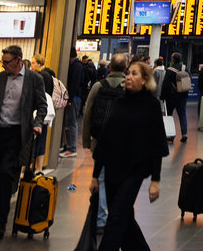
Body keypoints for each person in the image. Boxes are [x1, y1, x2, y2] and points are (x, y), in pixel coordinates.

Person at [90, 60, 167, 251]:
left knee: (116, 216)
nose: (129, 77)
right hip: (112, 168)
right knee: (125, 217)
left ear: (145, 80)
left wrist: (155, 180)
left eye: (134, 74)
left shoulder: (152, 105)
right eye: (129, 73)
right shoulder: (120, 102)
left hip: (135, 169)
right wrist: (94, 175)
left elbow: (157, 144)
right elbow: (106, 140)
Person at [0, 44, 48, 239]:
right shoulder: (0, 78)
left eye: (7, 62)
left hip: (17, 135)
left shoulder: (34, 79)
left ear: (19, 60)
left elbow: (42, 106)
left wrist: (37, 123)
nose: (4, 66)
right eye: (3, 62)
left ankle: (1, 223)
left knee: (4, 175)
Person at [82, 53, 129, 232]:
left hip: (100, 141)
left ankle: (100, 219)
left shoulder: (98, 86)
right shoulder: (129, 87)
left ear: (110, 68)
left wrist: (87, 141)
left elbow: (88, 114)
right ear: (125, 68)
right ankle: (117, 217)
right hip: (122, 144)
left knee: (100, 179)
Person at [29, 55, 58, 169]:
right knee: (41, 139)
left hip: (39, 113)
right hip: (44, 114)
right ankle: (38, 168)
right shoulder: (48, 74)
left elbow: (40, 96)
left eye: (33, 63)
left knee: (36, 141)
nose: (31, 65)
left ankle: (35, 167)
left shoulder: (41, 76)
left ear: (39, 64)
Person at [63, 53, 91, 156]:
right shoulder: (78, 65)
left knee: (71, 122)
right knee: (70, 122)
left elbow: (74, 83)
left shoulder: (76, 66)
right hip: (76, 97)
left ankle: (71, 148)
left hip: (74, 98)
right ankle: (68, 146)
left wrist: (70, 99)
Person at [159, 57, 191, 143]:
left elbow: (165, 84)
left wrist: (162, 96)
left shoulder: (170, 70)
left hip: (171, 96)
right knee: (182, 114)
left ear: (172, 59)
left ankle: (170, 136)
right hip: (183, 95)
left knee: (169, 115)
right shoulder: (185, 68)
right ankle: (184, 133)